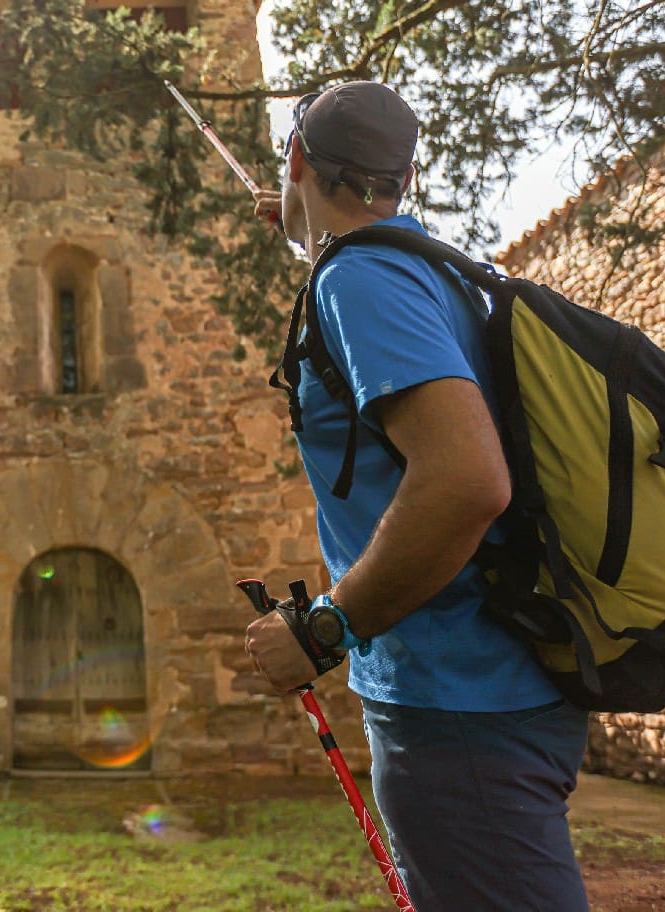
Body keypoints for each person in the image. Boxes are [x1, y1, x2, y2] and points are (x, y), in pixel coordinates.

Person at [245, 82, 589, 910]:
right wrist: (307, 228)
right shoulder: (423, 270)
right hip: (500, 687)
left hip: (457, 703)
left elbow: (468, 479)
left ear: (295, 159)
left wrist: (327, 627)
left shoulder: (359, 283)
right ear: (400, 179)